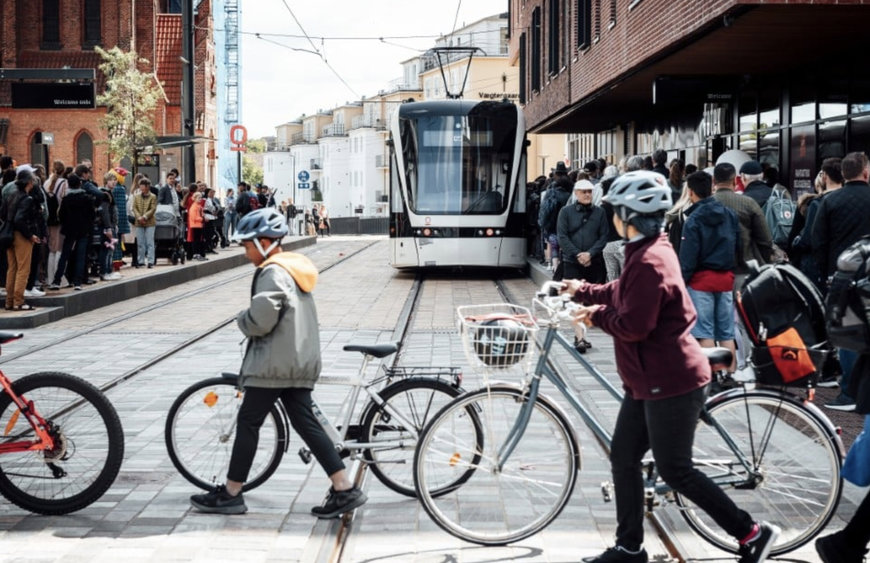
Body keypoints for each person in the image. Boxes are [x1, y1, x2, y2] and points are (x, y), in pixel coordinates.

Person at [561, 170, 779, 563]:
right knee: (624, 457)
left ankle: (752, 532)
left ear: (629, 216)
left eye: (616, 212)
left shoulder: (650, 259)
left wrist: (591, 315)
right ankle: (629, 547)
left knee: (675, 469)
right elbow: (623, 291)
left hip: (671, 380)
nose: (612, 217)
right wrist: (582, 287)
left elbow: (634, 324)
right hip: (646, 380)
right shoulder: (646, 251)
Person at [189, 208, 367, 517]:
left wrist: (242, 319)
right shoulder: (293, 268)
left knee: (248, 422)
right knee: (306, 424)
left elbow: (261, 319)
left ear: (265, 242)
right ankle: (343, 486)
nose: (246, 253)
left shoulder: (273, 271)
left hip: (275, 365)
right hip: (295, 360)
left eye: (247, 246)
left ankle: (232, 493)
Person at [812, 151, 870, 411]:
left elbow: (818, 241)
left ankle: (848, 391)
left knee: (848, 334)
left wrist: (826, 274)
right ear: (866, 173)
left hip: (842, 275)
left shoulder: (830, 202)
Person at [679, 171, 741, 372]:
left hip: (700, 281)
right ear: (711, 187)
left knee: (704, 332)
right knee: (726, 332)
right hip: (725, 279)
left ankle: (713, 376)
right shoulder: (729, 214)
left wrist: (681, 281)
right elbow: (738, 246)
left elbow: (688, 257)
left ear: (690, 192)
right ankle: (730, 376)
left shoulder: (693, 220)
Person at [3, 169, 41, 310]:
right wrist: (30, 235)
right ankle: (19, 301)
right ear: (29, 182)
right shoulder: (27, 199)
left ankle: (9, 301)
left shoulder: (11, 195)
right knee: (23, 269)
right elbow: (20, 219)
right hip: (21, 235)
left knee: (12, 268)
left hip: (9, 234)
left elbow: (3, 214)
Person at [132, 177, 157, 269]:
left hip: (150, 222)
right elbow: (134, 207)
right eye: (140, 186)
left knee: (150, 242)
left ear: (147, 187)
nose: (141, 188)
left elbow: (153, 208)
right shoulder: (136, 196)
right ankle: (140, 261)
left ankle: (150, 261)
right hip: (139, 222)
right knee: (140, 242)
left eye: (142, 186)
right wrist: (139, 217)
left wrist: (145, 216)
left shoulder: (153, 196)